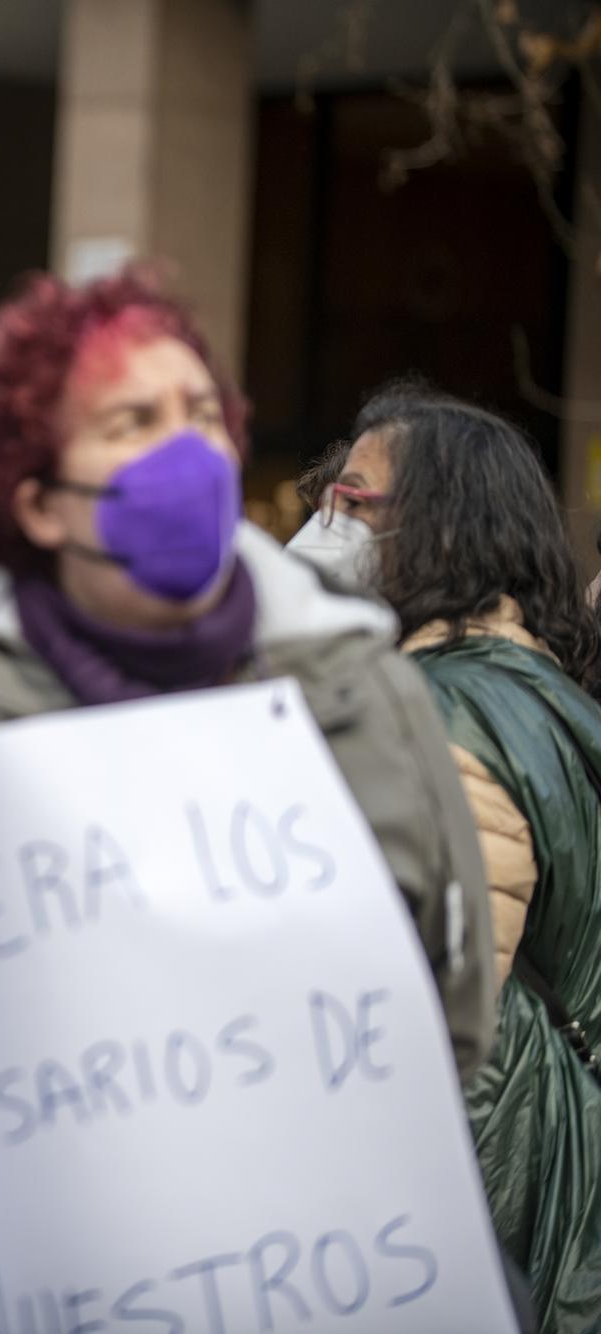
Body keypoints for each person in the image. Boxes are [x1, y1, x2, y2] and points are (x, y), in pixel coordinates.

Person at [0, 270, 498, 1184]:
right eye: (130, 423)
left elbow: (449, 1002)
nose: (184, 451)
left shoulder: (368, 691)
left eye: (202, 414)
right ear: (36, 502)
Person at [322, 385, 601, 1332]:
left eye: (356, 502)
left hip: (477, 1185)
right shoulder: (522, 687)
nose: (328, 520)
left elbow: (434, 1015)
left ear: (438, 528)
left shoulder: (445, 714)